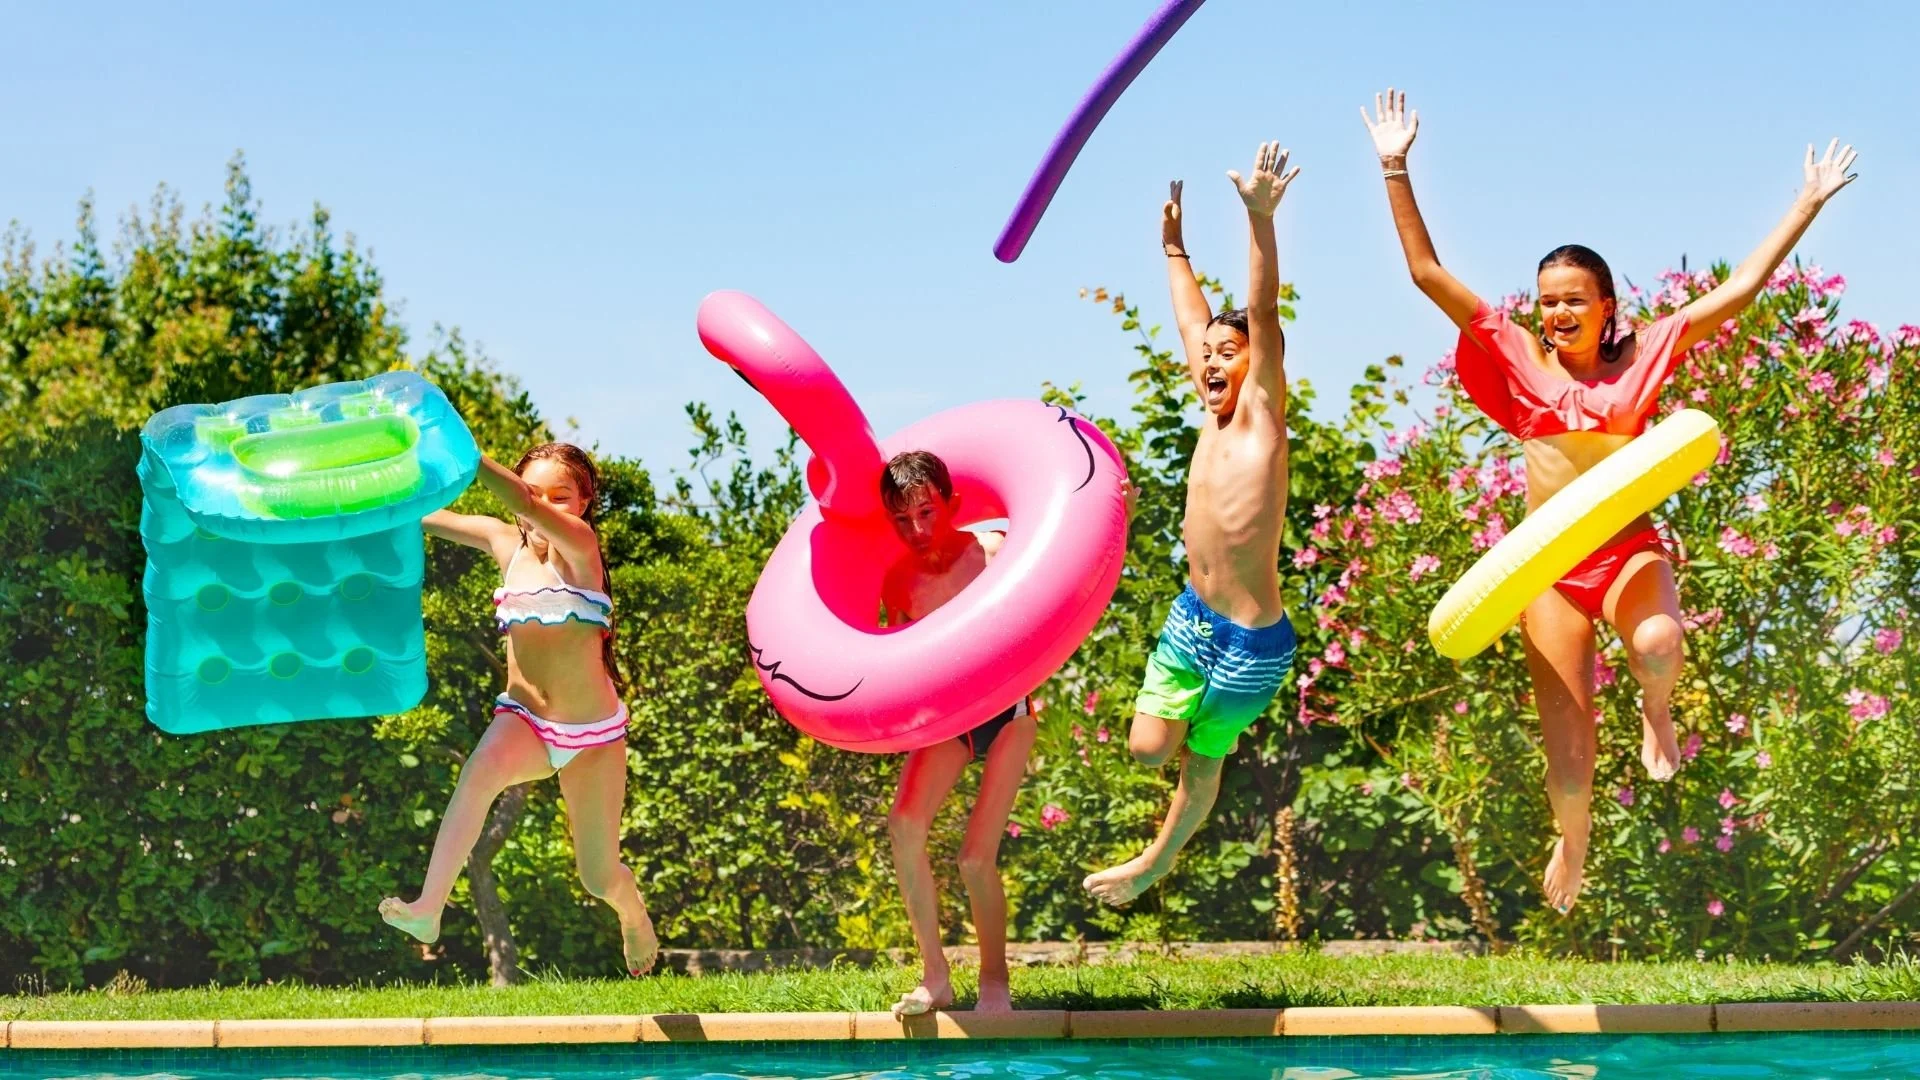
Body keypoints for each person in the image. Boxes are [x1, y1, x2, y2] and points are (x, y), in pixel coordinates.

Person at [1361, 86, 1858, 911]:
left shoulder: (1645, 354)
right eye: (1548, 299)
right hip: (1549, 570)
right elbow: (1424, 272)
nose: (1557, 312)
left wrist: (1803, 204)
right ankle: (1575, 842)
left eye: (1573, 300)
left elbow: (1737, 294)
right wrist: (1394, 163)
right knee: (1568, 753)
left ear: (1606, 307)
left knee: (1659, 642)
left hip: (1627, 551)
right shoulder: (1516, 354)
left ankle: (1656, 711)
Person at [1083, 141, 1302, 908]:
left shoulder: (1261, 421)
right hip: (1193, 620)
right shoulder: (1211, 414)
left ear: (1258, 366)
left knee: (1201, 766)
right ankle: (1157, 850)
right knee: (1149, 751)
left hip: (1253, 643)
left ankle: (1155, 861)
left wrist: (1258, 219)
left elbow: (1263, 311)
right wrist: (1175, 249)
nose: (1208, 359)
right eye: (1204, 353)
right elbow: (1188, 318)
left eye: (1226, 352)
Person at [379, 443, 657, 976]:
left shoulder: (581, 546)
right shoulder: (504, 542)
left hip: (593, 736)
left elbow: (526, 503)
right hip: (525, 720)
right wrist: (365, 498)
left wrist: (466, 452)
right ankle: (428, 909)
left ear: (584, 503)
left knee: (598, 878)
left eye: (563, 496)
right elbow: (420, 516)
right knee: (477, 774)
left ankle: (633, 915)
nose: (548, 506)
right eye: (539, 492)